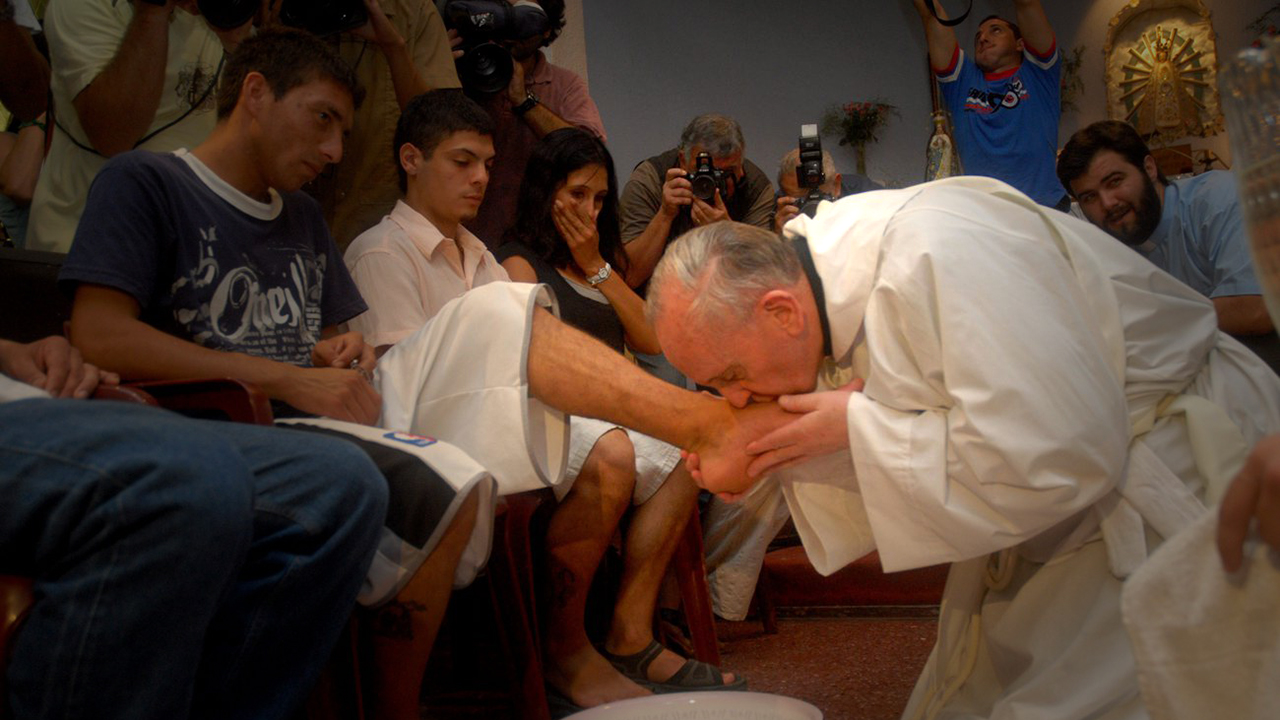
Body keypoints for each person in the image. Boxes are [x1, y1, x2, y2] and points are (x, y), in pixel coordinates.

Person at [59, 28, 781, 719]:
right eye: (322, 122)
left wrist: (323, 356)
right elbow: (97, 334)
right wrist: (285, 377)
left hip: (338, 410)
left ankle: (416, 703)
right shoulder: (149, 181)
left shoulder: (303, 218)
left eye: (342, 129)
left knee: (455, 472)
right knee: (501, 309)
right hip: (237, 419)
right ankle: (705, 419)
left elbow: (339, 346)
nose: (336, 149)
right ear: (254, 93)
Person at [644, 177, 1280, 719]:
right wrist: (780, 451)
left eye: (727, 376)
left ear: (782, 313)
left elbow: (1063, 448)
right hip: (1057, 505)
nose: (732, 398)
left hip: (1172, 463)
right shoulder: (819, 288)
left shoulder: (940, 253)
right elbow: (901, 425)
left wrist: (853, 429)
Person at [0, 334, 388, 720]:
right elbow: (101, 333)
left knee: (340, 482)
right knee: (183, 478)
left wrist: (15, 351)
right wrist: (291, 378)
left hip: (29, 400)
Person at [495, 127, 742, 705]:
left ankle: (631, 632)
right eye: (577, 194)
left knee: (696, 441)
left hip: (613, 418)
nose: (590, 209)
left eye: (600, 199)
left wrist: (596, 264)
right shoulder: (519, 262)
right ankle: (565, 648)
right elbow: (531, 362)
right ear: (546, 192)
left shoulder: (594, 265)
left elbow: (652, 338)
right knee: (621, 448)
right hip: (556, 420)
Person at [26, 0, 254, 253]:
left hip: (196, 248)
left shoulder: (227, 14)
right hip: (93, 247)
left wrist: (239, 44)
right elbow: (113, 135)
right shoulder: (84, 4)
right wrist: (151, 14)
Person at [1057, 119, 1273, 336]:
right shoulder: (1103, 251)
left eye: (1114, 181)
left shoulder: (1218, 200)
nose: (1107, 203)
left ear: (1149, 168)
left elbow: (1257, 307)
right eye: (1089, 197)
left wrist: (1147, 326)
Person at [307, 0, 464, 251]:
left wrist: (393, 47)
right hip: (295, 213)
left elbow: (440, 129)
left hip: (377, 224)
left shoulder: (414, 12)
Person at [463, 0, 606, 249]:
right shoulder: (465, 74)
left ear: (546, 29)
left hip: (538, 245)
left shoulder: (564, 84)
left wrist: (524, 101)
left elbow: (588, 153)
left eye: (524, 17)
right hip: (469, 237)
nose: (512, 28)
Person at [910, 0, 1068, 209]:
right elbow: (931, 15)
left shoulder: (1039, 74)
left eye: (996, 31)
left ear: (1020, 44)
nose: (983, 38)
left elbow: (1027, 4)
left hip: (1045, 209)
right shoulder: (962, 82)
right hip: (988, 216)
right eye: (978, 37)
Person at [620, 113, 774, 290]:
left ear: (741, 165)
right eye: (706, 173)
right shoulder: (652, 178)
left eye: (727, 174)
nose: (715, 184)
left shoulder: (756, 188)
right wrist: (665, 214)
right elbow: (631, 277)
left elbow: (762, 278)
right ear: (683, 160)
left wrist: (728, 232)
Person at [773, 147, 882, 235]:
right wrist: (778, 235)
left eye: (814, 196)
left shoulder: (865, 195)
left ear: (836, 185)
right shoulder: (777, 207)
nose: (810, 207)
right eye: (798, 199)